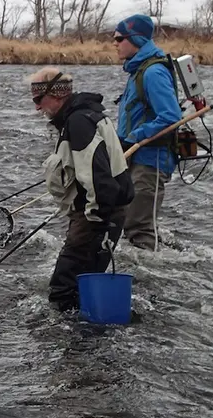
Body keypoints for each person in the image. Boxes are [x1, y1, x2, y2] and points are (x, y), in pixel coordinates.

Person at [31, 67, 135, 312]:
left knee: (63, 291)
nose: (36, 107)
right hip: (103, 215)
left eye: (38, 99)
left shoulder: (78, 123)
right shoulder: (88, 115)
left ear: (56, 95)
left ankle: (78, 343)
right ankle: (93, 335)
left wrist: (94, 221)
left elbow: (98, 180)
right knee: (80, 286)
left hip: (97, 219)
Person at [112, 14, 182, 251]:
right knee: (126, 222)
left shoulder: (152, 73)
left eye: (119, 38)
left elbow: (171, 117)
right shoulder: (137, 71)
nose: (115, 43)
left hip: (151, 160)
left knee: (138, 228)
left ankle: (152, 280)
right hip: (135, 158)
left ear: (137, 40)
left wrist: (135, 137)